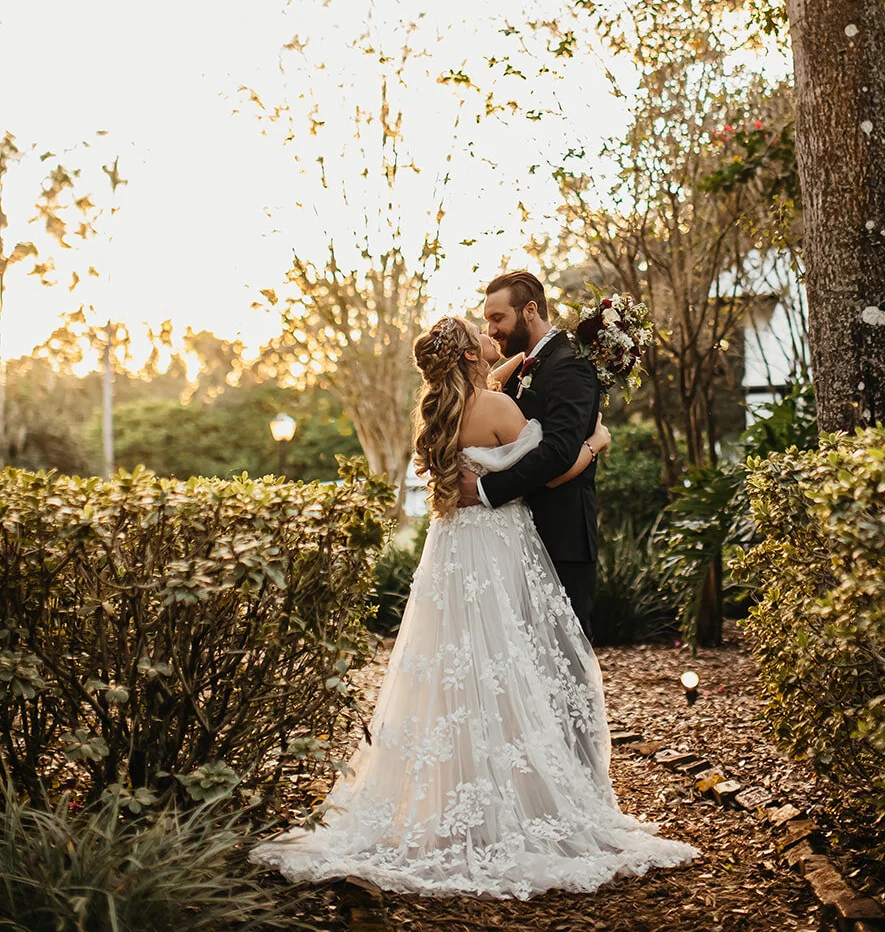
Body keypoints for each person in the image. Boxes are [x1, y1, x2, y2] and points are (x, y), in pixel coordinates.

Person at [249, 313, 697, 898]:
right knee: (508, 660)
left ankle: (449, 791)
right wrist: (596, 440)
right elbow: (554, 470)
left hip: (451, 549)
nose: (492, 337)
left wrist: (507, 367)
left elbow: (490, 387)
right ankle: (518, 795)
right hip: (499, 544)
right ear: (467, 356)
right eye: (479, 333)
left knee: (454, 666)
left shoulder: (434, 414)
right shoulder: (500, 411)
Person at [459, 270, 600, 637]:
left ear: (530, 311)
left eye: (497, 318)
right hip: (518, 535)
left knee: (567, 661)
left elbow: (557, 452)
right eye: (488, 320)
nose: (490, 330)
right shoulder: (524, 365)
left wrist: (486, 489)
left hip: (561, 535)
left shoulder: (569, 363)